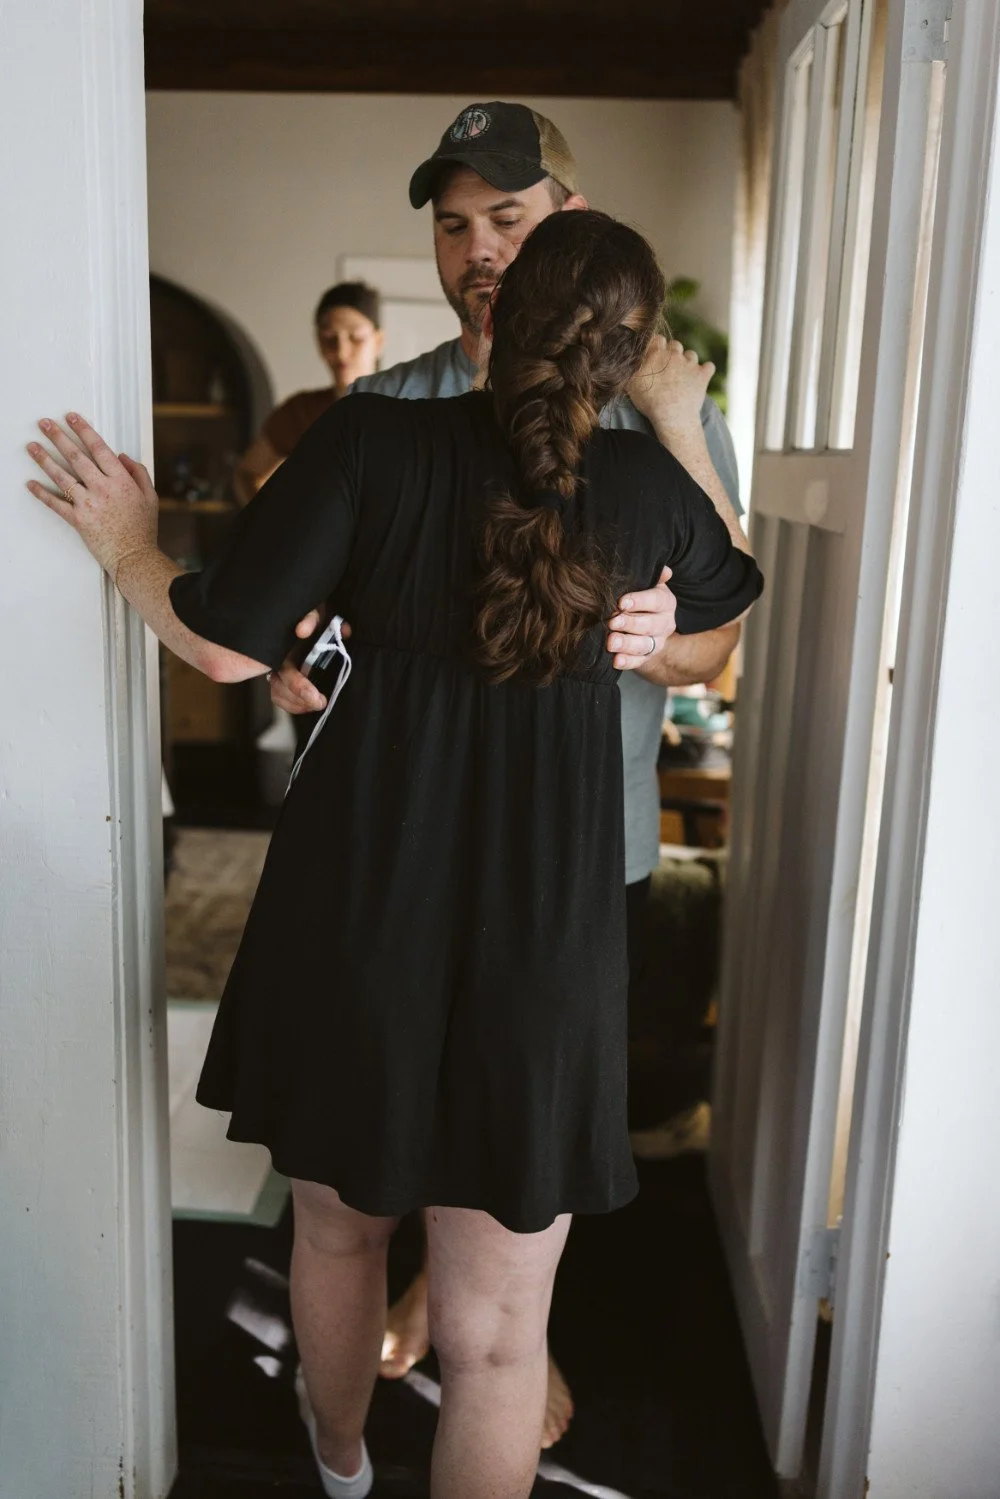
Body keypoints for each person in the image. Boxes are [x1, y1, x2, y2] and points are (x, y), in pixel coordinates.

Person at [28, 209, 762, 1499]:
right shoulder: (648, 489)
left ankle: (340, 1461)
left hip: (358, 908)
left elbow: (220, 647)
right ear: (631, 351)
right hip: (544, 941)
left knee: (335, 1233)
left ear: (495, 312)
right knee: (494, 1339)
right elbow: (727, 587)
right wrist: (673, 424)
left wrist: (129, 544)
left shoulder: (370, 439)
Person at [269, 101, 748, 1445]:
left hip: (585, 852)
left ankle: (466, 1328)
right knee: (406, 1153)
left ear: (571, 232)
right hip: (408, 847)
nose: (481, 250)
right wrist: (292, 653)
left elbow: (715, 634)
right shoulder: (389, 408)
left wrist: (666, 639)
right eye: (456, 223)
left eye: (511, 220)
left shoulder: (667, 418)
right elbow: (289, 624)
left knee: (516, 1155)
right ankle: (466, 1337)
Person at [233, 281, 383, 504]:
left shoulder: (406, 406)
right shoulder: (300, 411)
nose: (341, 352)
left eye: (356, 338)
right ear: (318, 342)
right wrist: (273, 525)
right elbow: (248, 473)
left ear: (378, 341)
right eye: (329, 337)